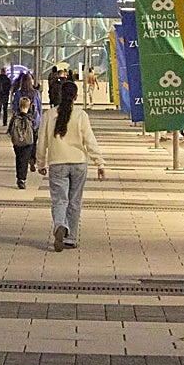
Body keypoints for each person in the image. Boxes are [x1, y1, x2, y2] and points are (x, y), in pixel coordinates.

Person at [38, 80, 106, 252]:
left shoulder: (49, 115)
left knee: (60, 200)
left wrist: (40, 162)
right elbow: (90, 140)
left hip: (57, 163)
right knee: (75, 201)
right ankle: (71, 238)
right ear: (76, 96)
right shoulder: (81, 115)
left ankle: (60, 224)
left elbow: (42, 141)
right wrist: (99, 162)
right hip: (78, 163)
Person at [8, 95, 37, 189]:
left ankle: (19, 176)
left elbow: (9, 130)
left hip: (17, 142)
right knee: (24, 160)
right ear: (28, 106)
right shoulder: (30, 118)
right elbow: (34, 130)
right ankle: (22, 178)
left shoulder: (15, 117)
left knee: (19, 159)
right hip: (28, 142)